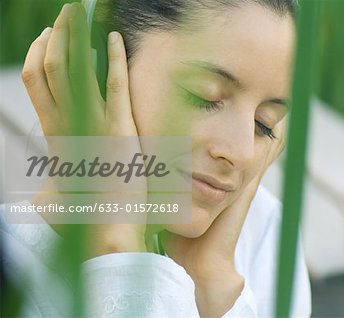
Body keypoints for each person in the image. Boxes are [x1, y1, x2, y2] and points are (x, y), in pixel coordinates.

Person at [1, 0, 311, 316]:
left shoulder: (259, 234)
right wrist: (118, 249)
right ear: (93, 70)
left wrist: (209, 281)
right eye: (204, 97)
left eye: (264, 125)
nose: (241, 153)